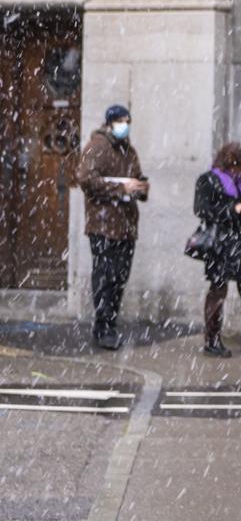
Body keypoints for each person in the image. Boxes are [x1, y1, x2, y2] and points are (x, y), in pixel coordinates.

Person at [77, 104, 148, 351]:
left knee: (119, 277)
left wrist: (140, 188)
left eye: (127, 121)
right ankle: (103, 325)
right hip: (103, 224)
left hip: (126, 225)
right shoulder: (97, 147)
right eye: (120, 121)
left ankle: (110, 322)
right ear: (109, 123)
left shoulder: (129, 151)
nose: (124, 126)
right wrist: (119, 189)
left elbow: (137, 177)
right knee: (105, 276)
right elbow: (86, 179)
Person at [193, 142, 241, 357]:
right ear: (230, 163)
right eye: (240, 166)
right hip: (220, 243)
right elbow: (202, 209)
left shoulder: (240, 183)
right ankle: (212, 339)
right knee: (218, 289)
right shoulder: (208, 180)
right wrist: (232, 209)